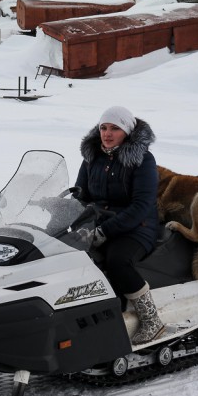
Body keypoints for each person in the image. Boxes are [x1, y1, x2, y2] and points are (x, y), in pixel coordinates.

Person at [75, 106, 164, 345]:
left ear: (127, 131)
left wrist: (106, 230)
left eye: (115, 128)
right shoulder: (92, 156)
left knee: (117, 261)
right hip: (99, 224)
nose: (107, 133)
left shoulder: (142, 159)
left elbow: (141, 205)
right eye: (104, 127)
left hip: (137, 227)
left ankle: (151, 320)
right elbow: (80, 196)